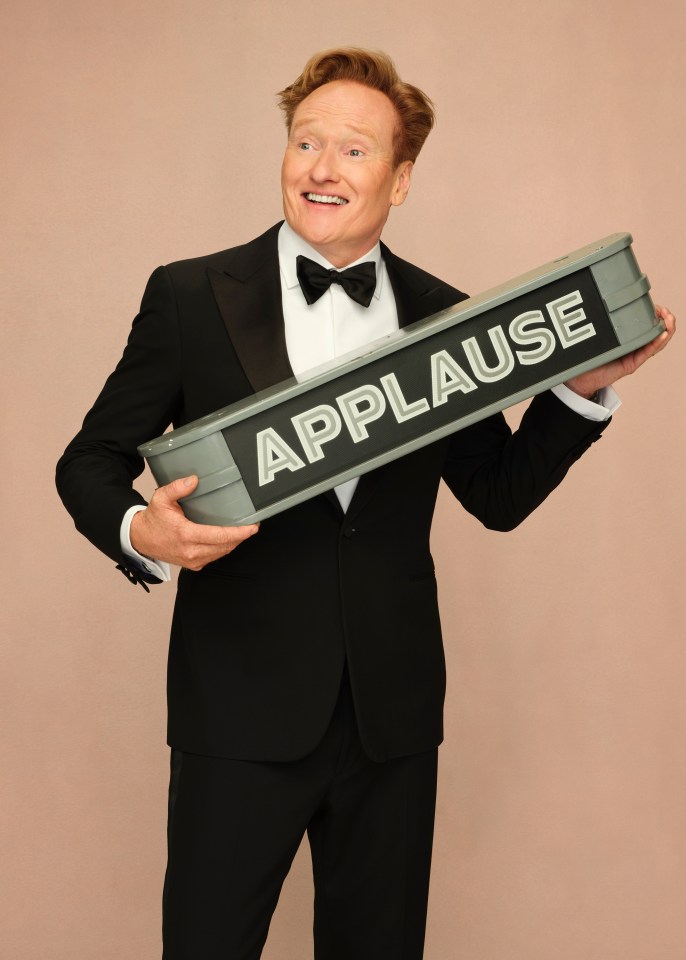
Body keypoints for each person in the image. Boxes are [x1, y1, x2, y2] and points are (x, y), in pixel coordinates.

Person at [56, 47, 675, 960]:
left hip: (391, 720)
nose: (321, 168)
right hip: (238, 713)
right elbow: (90, 460)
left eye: (353, 150)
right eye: (306, 142)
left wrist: (578, 391)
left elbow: (496, 496)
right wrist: (140, 528)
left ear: (402, 178)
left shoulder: (443, 318)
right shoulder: (190, 296)